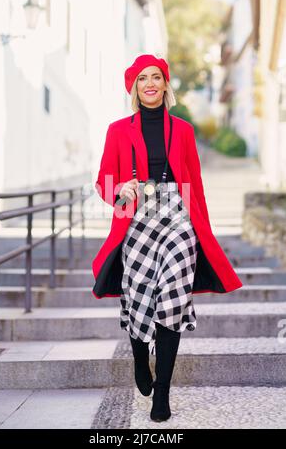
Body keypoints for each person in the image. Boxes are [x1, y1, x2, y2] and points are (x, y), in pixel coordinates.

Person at [92, 53, 243, 423]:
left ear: (165, 84)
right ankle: (141, 360)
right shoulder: (117, 130)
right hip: (136, 218)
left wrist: (201, 229)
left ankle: (162, 394)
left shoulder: (184, 130)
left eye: (156, 77)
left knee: (173, 297)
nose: (150, 84)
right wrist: (120, 190)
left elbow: (195, 182)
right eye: (142, 78)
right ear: (134, 87)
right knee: (138, 293)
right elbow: (102, 180)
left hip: (177, 216)